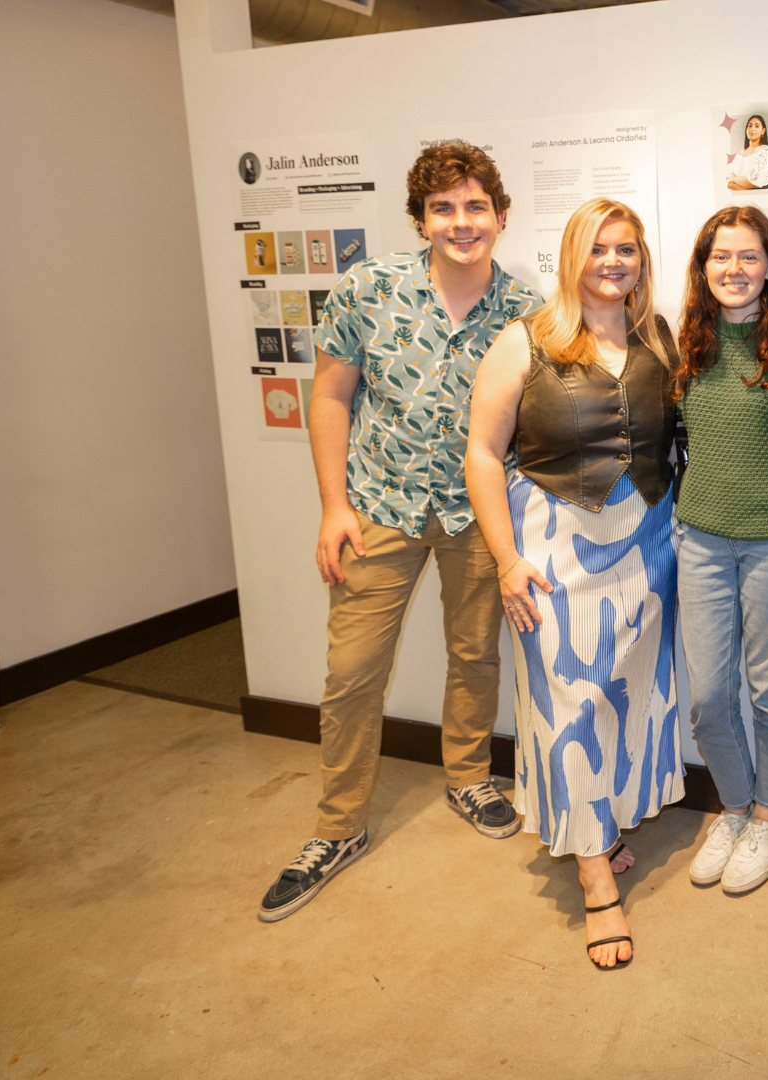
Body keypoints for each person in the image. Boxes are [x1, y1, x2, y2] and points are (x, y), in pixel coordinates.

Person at [258, 141, 542, 924]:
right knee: (352, 671)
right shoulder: (368, 289)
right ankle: (337, 828)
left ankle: (468, 774)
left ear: (501, 216)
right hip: (377, 505)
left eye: (475, 206)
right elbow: (330, 399)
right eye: (443, 208)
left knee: (474, 651)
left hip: (477, 513)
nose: (461, 222)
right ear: (422, 219)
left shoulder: (525, 310)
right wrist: (331, 505)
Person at [464, 197, 683, 970]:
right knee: (568, 706)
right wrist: (506, 558)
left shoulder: (657, 334)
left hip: (648, 543)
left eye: (626, 249)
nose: (613, 262)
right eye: (598, 249)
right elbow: (484, 454)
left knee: (625, 692)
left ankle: (605, 827)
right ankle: (595, 879)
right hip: (554, 544)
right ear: (572, 257)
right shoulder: (524, 340)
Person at [672, 206, 768, 895]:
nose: (734, 269)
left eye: (748, 256)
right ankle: (731, 806)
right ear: (703, 268)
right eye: (720, 257)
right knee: (708, 696)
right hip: (699, 536)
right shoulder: (688, 340)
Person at [726, 114, 768, 191]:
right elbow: (728, 183)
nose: (752, 129)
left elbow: (757, 180)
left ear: (763, 131)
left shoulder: (765, 151)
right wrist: (745, 184)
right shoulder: (739, 154)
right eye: (749, 126)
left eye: (757, 126)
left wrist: (734, 179)